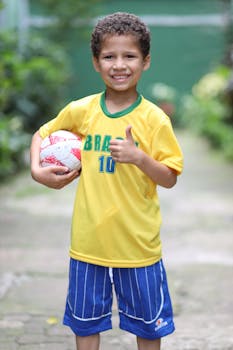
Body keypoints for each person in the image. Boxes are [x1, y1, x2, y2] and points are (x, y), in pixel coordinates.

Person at [30, 12, 183, 350]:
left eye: (129, 56)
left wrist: (140, 158)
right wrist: (36, 171)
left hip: (138, 244)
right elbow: (42, 134)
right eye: (109, 56)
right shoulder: (82, 110)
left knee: (148, 328)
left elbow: (170, 177)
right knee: (85, 325)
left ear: (145, 61)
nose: (119, 65)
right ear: (96, 62)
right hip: (89, 242)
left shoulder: (154, 120)